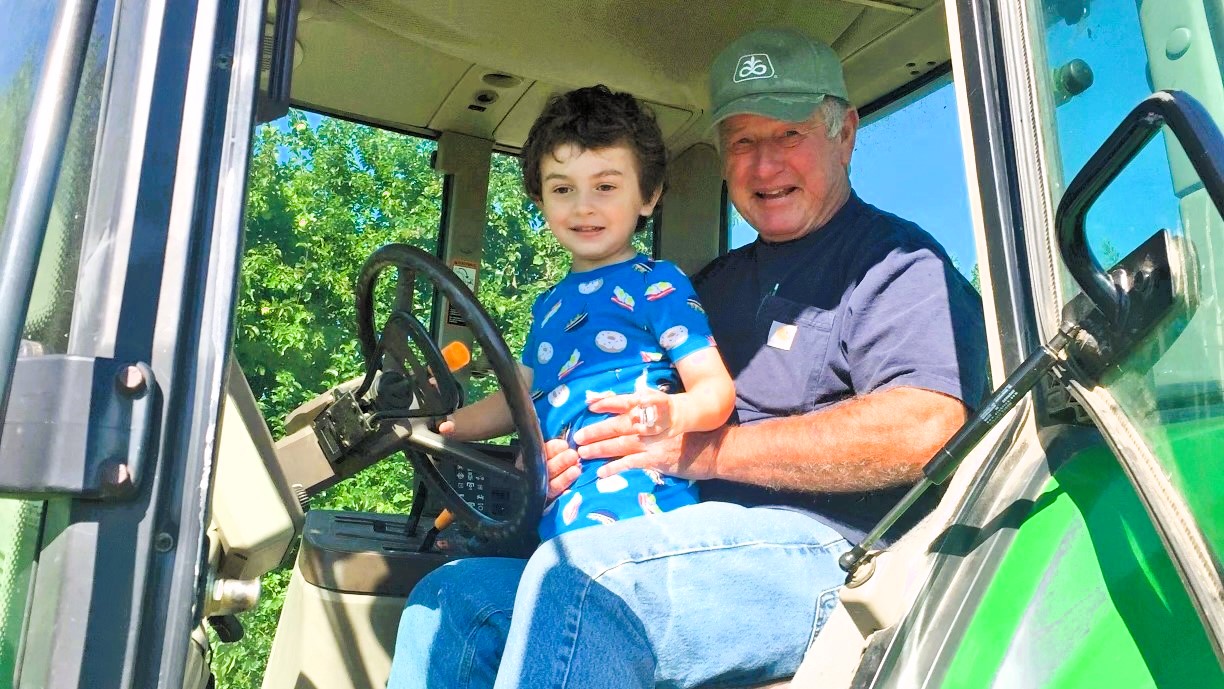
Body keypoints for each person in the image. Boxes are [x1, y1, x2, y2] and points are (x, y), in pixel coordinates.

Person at [388, 28, 988, 689]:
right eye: (743, 143)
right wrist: (558, 456)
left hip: (834, 553)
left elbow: (923, 428)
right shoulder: (711, 284)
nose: (765, 166)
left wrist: (696, 452)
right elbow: (613, 407)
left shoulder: (894, 264)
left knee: (588, 580)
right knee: (453, 598)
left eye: (788, 135)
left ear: (844, 133)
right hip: (679, 532)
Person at [436, 84, 735, 540]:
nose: (583, 206)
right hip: (560, 519)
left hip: (640, 510)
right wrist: (446, 426)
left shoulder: (656, 283)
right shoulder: (549, 304)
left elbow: (714, 391)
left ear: (649, 196)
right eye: (562, 189)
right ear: (541, 201)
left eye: (606, 186)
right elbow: (521, 394)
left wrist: (670, 415)